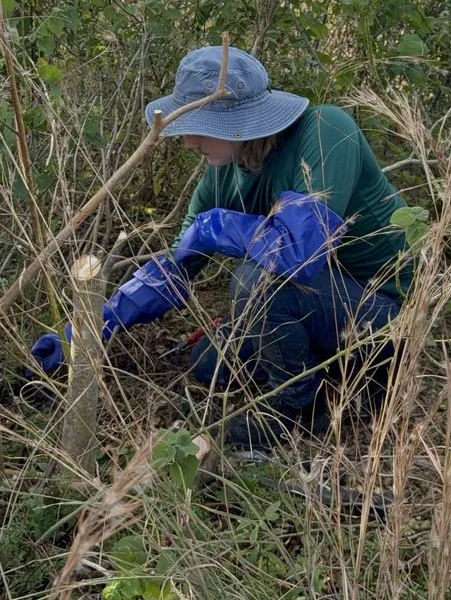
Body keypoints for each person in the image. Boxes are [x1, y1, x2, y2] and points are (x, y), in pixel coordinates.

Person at [32, 46, 413, 450]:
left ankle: (298, 408)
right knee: (210, 363)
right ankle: (327, 373)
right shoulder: (221, 177)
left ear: (239, 122)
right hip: (319, 309)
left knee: (259, 282)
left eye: (198, 125)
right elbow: (174, 270)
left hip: (382, 314)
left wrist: (220, 226)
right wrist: (93, 326)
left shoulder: (325, 129)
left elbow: (301, 252)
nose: (188, 143)